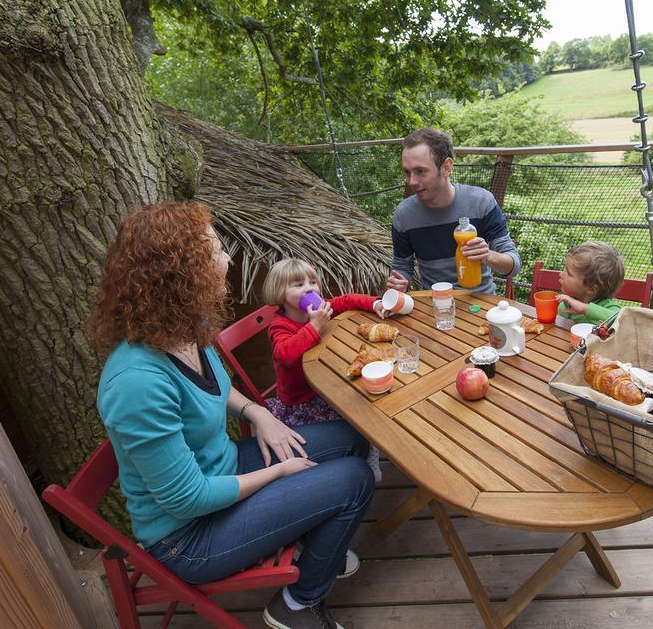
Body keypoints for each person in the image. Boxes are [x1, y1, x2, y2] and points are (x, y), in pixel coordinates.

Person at [89, 202, 372, 629]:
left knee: (351, 440)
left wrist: (260, 413)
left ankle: (320, 548)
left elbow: (218, 389)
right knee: (356, 479)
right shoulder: (135, 382)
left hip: (224, 470)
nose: (227, 260)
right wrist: (280, 473)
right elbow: (188, 499)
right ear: (184, 271)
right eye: (216, 251)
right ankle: (297, 605)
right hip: (191, 536)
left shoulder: (186, 327)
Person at [262, 257, 387, 481]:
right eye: (298, 285)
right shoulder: (280, 326)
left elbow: (346, 300)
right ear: (280, 294)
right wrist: (314, 326)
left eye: (312, 282)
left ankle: (371, 458)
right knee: (359, 415)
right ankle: (346, 464)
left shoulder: (320, 309)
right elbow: (285, 355)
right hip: (304, 400)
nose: (309, 288)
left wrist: (374, 303)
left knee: (369, 406)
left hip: (327, 384)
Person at [386, 127, 521, 294]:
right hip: (435, 304)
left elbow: (514, 264)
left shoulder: (481, 202)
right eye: (407, 172)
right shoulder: (404, 214)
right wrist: (401, 282)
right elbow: (402, 266)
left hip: (480, 303)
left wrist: (488, 256)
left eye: (420, 171)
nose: (411, 182)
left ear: (447, 168)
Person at [555, 241, 626, 326]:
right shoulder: (564, 305)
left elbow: (622, 322)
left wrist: (585, 309)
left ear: (591, 288)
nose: (561, 274)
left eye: (569, 273)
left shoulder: (608, 307)